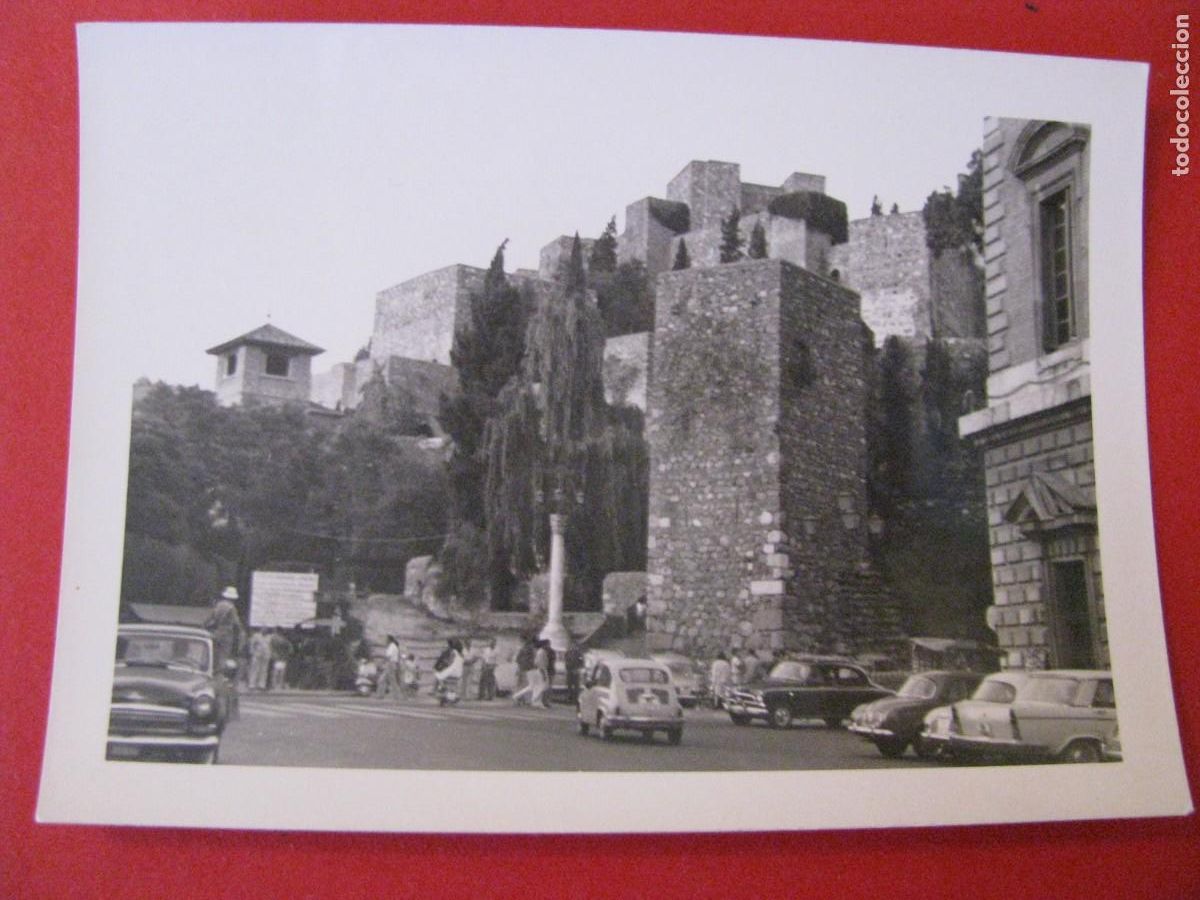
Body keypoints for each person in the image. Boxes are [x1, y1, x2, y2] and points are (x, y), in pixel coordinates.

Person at [205, 586, 245, 673]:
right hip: (227, 634)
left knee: (214, 654)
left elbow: (211, 619)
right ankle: (220, 673)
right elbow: (236, 623)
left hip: (216, 632)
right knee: (223, 656)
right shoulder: (231, 607)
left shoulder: (218, 605)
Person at [433, 638, 464, 706]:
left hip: (452, 670)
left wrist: (443, 665)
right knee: (445, 679)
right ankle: (449, 695)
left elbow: (449, 661)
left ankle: (443, 692)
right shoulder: (460, 653)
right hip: (458, 671)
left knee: (439, 676)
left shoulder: (453, 652)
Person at [512, 636, 536, 705]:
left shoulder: (523, 649)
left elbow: (517, 659)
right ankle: (524, 700)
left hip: (523, 668)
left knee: (521, 684)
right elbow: (518, 659)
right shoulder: (530, 650)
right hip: (527, 669)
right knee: (526, 685)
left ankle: (519, 699)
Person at [377, 635, 401, 699]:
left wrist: (382, 662)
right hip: (391, 664)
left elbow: (388, 656)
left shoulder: (392, 646)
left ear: (389, 640)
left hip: (390, 664)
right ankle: (381, 695)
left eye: (386, 639)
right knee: (386, 680)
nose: (385, 641)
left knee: (386, 680)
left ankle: (381, 695)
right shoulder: (392, 646)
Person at [564, 640, 585, 706]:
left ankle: (576, 699)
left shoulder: (579, 653)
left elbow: (582, 662)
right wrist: (567, 667)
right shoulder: (568, 652)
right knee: (569, 685)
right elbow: (566, 660)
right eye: (572, 645)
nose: (573, 647)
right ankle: (569, 698)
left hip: (576, 671)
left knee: (576, 686)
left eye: (574, 646)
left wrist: (578, 668)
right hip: (569, 670)